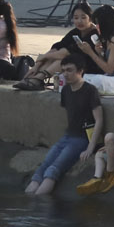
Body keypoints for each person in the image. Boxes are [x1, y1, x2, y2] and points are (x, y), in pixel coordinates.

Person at [25, 57, 104, 196]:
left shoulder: (90, 91)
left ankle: (36, 202)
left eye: (69, 70)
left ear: (80, 71)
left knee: (54, 170)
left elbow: (99, 120)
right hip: (67, 136)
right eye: (63, 71)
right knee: (43, 167)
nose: (65, 74)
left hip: (81, 139)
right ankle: (28, 200)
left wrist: (90, 147)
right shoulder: (66, 90)